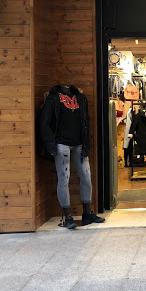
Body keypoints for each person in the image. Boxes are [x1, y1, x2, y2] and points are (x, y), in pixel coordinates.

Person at [39, 85, 105, 229]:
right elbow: (44, 124)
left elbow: (85, 121)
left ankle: (87, 212)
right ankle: (68, 216)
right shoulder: (52, 100)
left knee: (86, 177)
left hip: (79, 144)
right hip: (61, 144)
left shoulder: (80, 99)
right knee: (64, 178)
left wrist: (86, 143)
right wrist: (51, 145)